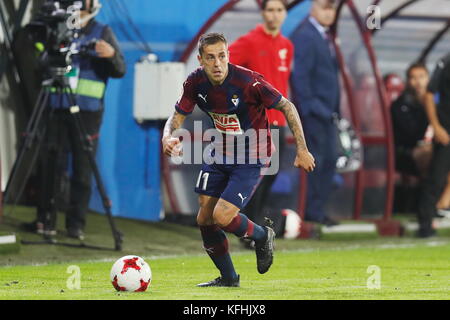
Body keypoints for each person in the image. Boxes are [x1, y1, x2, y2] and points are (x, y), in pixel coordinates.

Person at [162, 33, 315, 287]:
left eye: (222, 56)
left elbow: (287, 106)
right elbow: (177, 116)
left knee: (222, 216)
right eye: (210, 58)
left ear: (228, 56)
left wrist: (302, 149)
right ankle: (229, 278)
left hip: (253, 154)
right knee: (204, 219)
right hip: (221, 151)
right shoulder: (195, 82)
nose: (217, 63)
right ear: (200, 60)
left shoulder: (249, 82)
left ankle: (262, 235)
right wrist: (168, 136)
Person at [24, 0, 126, 240]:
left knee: (82, 167)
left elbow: (120, 69)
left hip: (87, 111)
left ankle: (75, 224)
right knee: (50, 164)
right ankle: (45, 219)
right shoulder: (59, 27)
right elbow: (40, 62)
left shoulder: (103, 32)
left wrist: (110, 55)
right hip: (56, 104)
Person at [228, 0, 293, 230]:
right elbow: (223, 67)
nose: (274, 15)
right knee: (256, 177)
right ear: (263, 13)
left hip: (278, 121)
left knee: (270, 177)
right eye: (270, 10)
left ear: (284, 14)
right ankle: (248, 229)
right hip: (257, 123)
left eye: (279, 10)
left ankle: (249, 227)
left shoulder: (286, 45)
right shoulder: (250, 41)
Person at [289, 0, 340, 226]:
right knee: (318, 160)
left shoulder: (322, 34)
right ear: (313, 8)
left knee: (328, 159)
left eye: (331, 8)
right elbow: (300, 77)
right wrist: (310, 108)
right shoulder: (306, 35)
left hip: (326, 113)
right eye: (324, 7)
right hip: (314, 114)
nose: (329, 13)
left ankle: (316, 209)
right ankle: (312, 211)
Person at [417, 53, 450, 237]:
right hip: (446, 132)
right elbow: (430, 94)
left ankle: (441, 209)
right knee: (436, 178)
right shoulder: (446, 61)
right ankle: (425, 224)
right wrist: (436, 126)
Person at [391, 62, 431, 178]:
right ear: (407, 81)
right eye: (413, 77)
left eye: (422, 77)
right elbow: (413, 133)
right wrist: (425, 107)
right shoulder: (400, 105)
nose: (418, 82)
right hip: (405, 150)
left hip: (432, 146)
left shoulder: (436, 102)